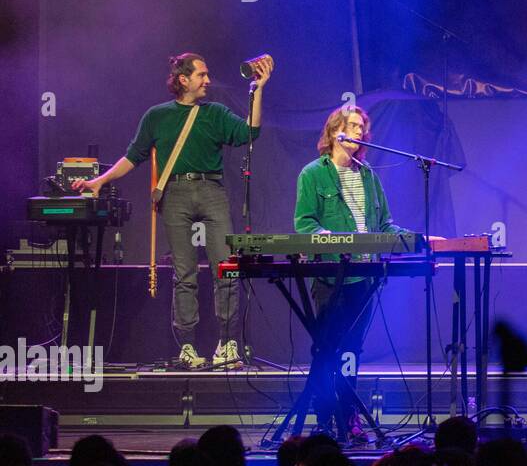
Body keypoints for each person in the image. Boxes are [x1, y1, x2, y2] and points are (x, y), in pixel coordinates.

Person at [73, 52, 272, 369]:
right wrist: (99, 181)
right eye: (201, 75)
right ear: (183, 79)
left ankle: (227, 343)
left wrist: (258, 89)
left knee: (227, 270)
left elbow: (250, 132)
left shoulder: (215, 113)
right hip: (175, 193)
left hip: (212, 190)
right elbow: (133, 156)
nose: (208, 80)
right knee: (185, 275)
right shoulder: (157, 116)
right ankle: (188, 348)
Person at [293, 104, 427, 442]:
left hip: (363, 277)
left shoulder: (368, 176)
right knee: (326, 349)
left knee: (352, 349)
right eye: (351, 125)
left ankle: (348, 418)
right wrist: (327, 239)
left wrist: (414, 237)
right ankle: (325, 420)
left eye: (361, 128)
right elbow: (305, 223)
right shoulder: (313, 173)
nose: (357, 132)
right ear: (334, 131)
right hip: (330, 275)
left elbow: (383, 225)